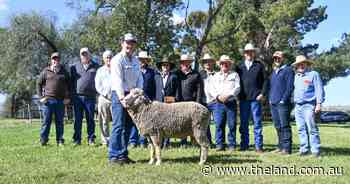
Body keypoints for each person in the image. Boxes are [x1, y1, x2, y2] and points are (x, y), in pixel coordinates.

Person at [109, 33, 143, 165]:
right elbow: (117, 80)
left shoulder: (135, 60)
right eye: (127, 42)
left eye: (132, 43)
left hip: (133, 95)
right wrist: (122, 98)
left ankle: (123, 154)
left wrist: (138, 92)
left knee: (129, 125)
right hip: (119, 95)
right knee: (118, 125)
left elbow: (140, 78)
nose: (130, 45)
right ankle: (113, 155)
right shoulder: (117, 59)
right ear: (122, 43)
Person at [237, 43, 268, 153]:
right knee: (244, 124)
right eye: (247, 52)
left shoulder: (259, 65)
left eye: (251, 52)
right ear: (244, 54)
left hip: (256, 99)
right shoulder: (239, 67)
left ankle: (258, 146)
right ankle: (244, 145)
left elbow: (265, 80)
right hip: (243, 99)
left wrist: (262, 93)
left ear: (254, 53)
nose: (249, 53)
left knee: (257, 123)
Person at [293, 55, 325, 158]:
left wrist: (319, 104)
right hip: (298, 106)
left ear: (307, 64)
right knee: (301, 128)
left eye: (303, 63)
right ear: (296, 66)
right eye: (299, 64)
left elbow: (319, 89)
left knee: (312, 128)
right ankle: (304, 149)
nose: (301, 65)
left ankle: (315, 150)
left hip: (309, 105)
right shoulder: (296, 76)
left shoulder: (313, 74)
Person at [207, 55, 240, 151]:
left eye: (226, 63)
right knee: (219, 124)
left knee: (232, 124)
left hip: (231, 102)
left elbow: (237, 88)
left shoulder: (235, 75)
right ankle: (220, 145)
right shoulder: (215, 76)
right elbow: (211, 88)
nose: (224, 65)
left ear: (229, 64)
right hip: (218, 103)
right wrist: (218, 96)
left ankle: (232, 145)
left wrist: (228, 95)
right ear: (220, 65)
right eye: (222, 63)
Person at [37, 52, 70, 146]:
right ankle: (43, 140)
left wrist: (67, 97)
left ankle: (60, 140)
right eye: (54, 59)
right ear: (51, 60)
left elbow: (70, 85)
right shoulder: (46, 71)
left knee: (60, 122)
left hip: (60, 101)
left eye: (57, 59)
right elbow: (38, 83)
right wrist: (41, 97)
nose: (56, 60)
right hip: (48, 101)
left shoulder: (64, 72)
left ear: (60, 60)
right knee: (46, 121)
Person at [70, 47, 99, 146]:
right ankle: (77, 139)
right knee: (77, 119)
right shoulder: (74, 67)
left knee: (90, 119)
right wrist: (72, 97)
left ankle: (91, 139)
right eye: (82, 54)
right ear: (80, 55)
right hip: (78, 98)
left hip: (90, 97)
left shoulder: (96, 66)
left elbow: (99, 81)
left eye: (86, 54)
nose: (84, 56)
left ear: (89, 54)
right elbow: (71, 82)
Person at [129, 51, 156, 148]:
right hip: (136, 100)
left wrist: (153, 100)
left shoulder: (152, 72)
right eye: (140, 60)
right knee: (135, 120)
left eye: (144, 60)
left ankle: (143, 141)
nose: (142, 61)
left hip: (147, 100)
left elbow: (154, 86)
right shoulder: (133, 71)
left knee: (146, 121)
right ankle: (133, 141)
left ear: (147, 61)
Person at [176, 54, 205, 146]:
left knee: (193, 123)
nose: (185, 64)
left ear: (190, 63)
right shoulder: (176, 74)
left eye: (187, 62)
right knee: (181, 123)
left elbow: (199, 90)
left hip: (192, 103)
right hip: (179, 103)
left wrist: (197, 103)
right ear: (181, 63)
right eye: (183, 62)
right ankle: (183, 142)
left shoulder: (196, 74)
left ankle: (194, 142)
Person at [269, 51, 294, 155]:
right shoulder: (274, 72)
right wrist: (270, 99)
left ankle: (287, 149)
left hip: (283, 103)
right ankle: (280, 147)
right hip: (273, 103)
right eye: (275, 58)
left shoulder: (288, 70)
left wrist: (283, 99)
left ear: (283, 58)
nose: (277, 60)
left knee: (285, 125)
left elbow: (290, 87)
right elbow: (272, 87)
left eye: (279, 58)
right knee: (278, 126)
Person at [154, 54, 179, 148]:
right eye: (164, 65)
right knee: (158, 123)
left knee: (168, 123)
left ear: (170, 66)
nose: (165, 67)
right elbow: (154, 89)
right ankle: (158, 142)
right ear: (161, 66)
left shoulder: (174, 77)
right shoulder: (156, 76)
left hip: (169, 103)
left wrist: (175, 100)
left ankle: (167, 143)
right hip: (158, 103)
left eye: (167, 65)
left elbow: (177, 90)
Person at [95, 50, 113, 146]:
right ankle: (105, 141)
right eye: (107, 57)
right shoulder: (100, 70)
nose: (109, 59)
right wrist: (106, 94)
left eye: (110, 57)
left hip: (115, 98)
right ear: (104, 59)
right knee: (104, 121)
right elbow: (98, 85)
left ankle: (115, 141)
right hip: (104, 98)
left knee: (116, 121)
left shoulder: (116, 69)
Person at [199, 53, 216, 147]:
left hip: (215, 101)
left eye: (209, 61)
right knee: (205, 124)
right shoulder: (200, 74)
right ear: (203, 63)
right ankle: (208, 142)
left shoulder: (217, 74)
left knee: (218, 122)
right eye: (205, 62)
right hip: (203, 101)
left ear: (212, 63)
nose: (207, 63)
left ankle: (220, 143)